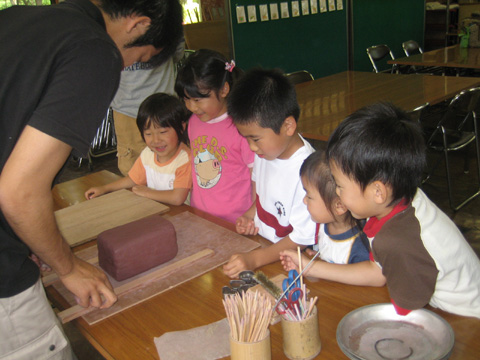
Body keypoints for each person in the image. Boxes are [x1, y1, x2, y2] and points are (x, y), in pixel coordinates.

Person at [0, 0, 183, 358]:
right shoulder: (97, 51)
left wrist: (32, 239)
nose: (130, 66)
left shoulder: (18, 16)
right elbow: (18, 191)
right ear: (138, 25)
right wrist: (66, 266)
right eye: (142, 58)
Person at [284, 102, 480, 318]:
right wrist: (311, 267)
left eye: (340, 186)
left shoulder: (397, 240)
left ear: (378, 192)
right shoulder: (402, 198)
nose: (337, 194)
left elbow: (406, 312)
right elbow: (378, 271)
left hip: (464, 320)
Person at [223, 68, 317, 279]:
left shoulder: (309, 173)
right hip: (264, 249)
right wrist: (251, 214)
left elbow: (301, 239)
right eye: (246, 138)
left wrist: (254, 259)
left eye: (255, 139)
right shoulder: (266, 152)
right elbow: (261, 195)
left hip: (290, 263)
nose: (251, 147)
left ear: (288, 126)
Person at [174, 49, 255, 223]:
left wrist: (252, 215)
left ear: (224, 89)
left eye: (198, 100)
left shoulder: (241, 127)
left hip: (236, 220)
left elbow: (256, 176)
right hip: (201, 214)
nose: (192, 107)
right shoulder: (194, 123)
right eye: (186, 99)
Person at [85, 93, 192, 205]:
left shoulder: (185, 159)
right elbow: (133, 179)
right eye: (148, 134)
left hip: (181, 215)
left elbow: (177, 198)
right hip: (158, 209)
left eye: (162, 132)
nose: (156, 140)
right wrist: (105, 189)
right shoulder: (148, 154)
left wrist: (147, 193)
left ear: (182, 127)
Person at [281, 151, 369, 268]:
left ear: (339, 206)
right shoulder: (324, 224)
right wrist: (317, 258)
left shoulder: (359, 249)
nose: (304, 200)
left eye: (309, 196)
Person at [111, 40, 185, 176]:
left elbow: (177, 49)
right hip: (127, 109)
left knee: (173, 166)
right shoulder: (109, 23)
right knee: (132, 168)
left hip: (163, 107)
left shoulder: (166, 20)